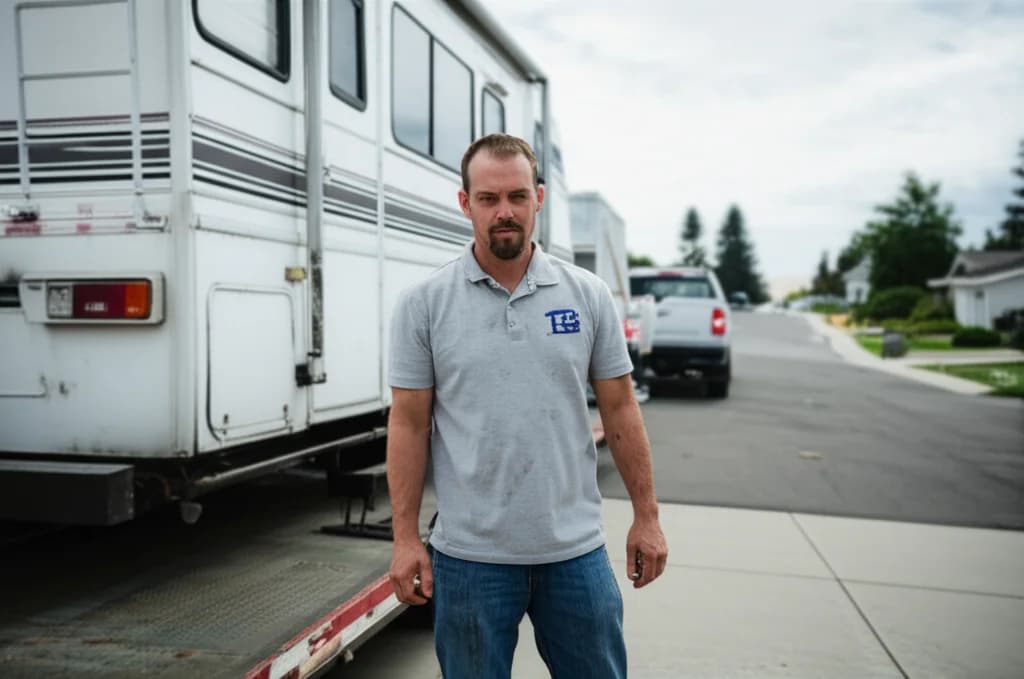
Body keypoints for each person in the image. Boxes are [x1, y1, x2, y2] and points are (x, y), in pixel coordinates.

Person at [387, 133, 667, 678]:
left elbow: (620, 408)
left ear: (538, 198)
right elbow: (409, 424)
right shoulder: (424, 304)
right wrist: (404, 539)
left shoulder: (586, 295)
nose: (504, 212)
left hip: (575, 553)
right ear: (465, 203)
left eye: (517, 196)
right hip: (470, 560)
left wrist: (647, 517)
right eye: (488, 198)